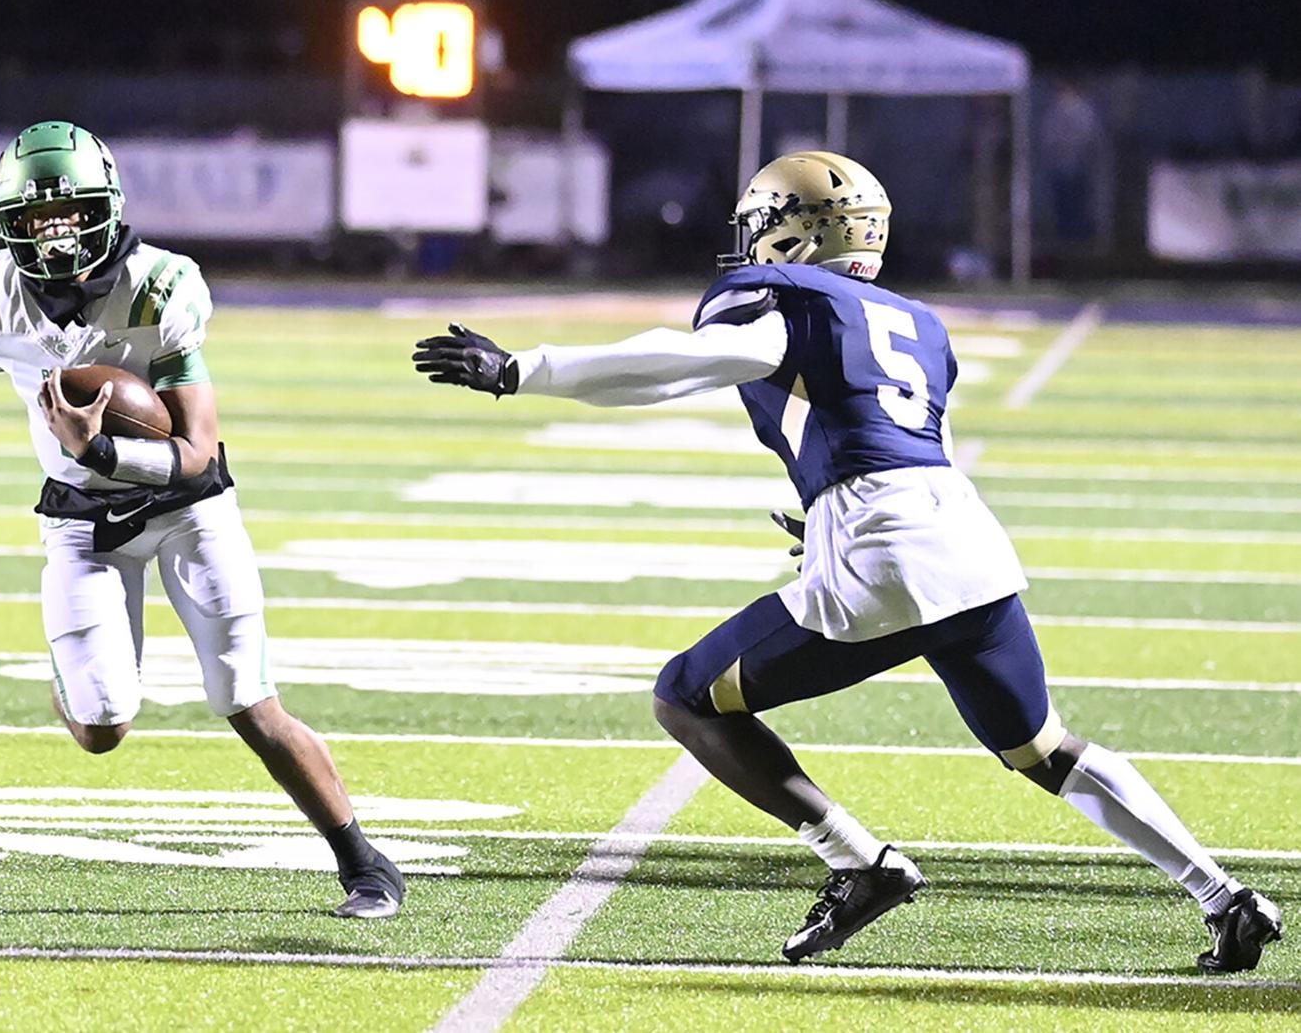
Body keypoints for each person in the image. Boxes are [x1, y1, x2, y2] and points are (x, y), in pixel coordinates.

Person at [413, 150, 1282, 971]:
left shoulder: (781, 295)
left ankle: (860, 861)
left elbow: (705, 359)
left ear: (795, 234)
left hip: (882, 546)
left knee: (685, 695)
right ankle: (1225, 895)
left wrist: (523, 370)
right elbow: (900, 439)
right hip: (961, 534)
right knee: (1043, 748)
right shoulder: (924, 322)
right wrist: (824, 513)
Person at [0, 121, 403, 919]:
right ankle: (79, 683)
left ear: (110, 204)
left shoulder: (161, 285)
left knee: (248, 700)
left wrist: (103, 452)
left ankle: (365, 864)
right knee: (100, 728)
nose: (55, 240)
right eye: (36, 221)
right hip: (81, 523)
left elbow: (197, 449)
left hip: (188, 512)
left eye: (72, 214)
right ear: (3, 223)